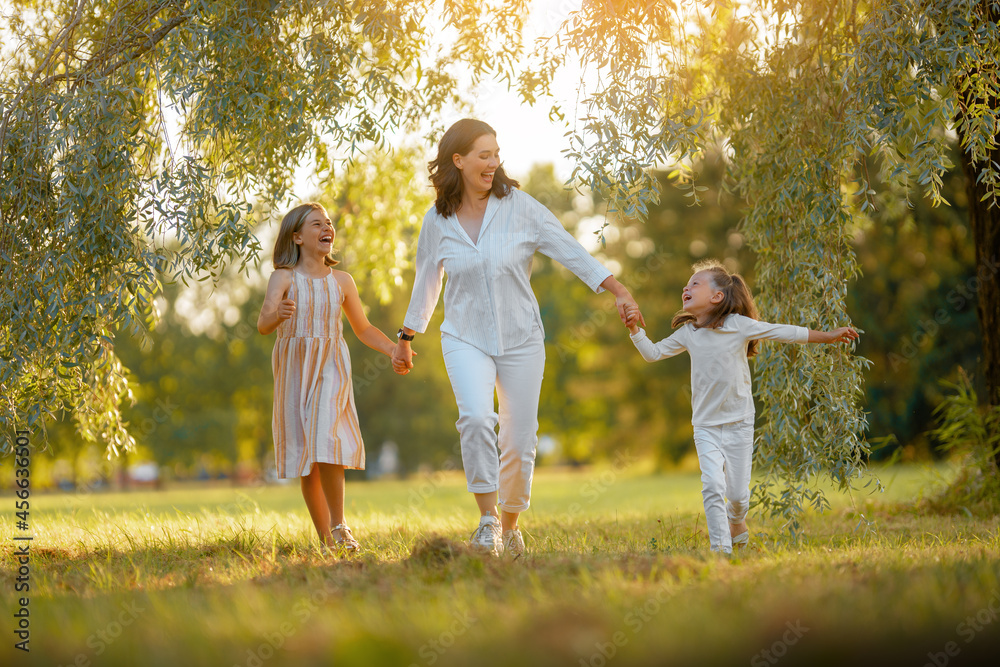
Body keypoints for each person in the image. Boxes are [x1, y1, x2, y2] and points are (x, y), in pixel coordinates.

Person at [391, 118, 644, 558]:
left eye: (496, 153)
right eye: (483, 155)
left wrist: (617, 290)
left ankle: (510, 526)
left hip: (522, 337)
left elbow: (570, 249)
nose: (493, 163)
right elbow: (426, 282)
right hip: (464, 336)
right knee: (475, 419)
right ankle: (487, 522)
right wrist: (406, 336)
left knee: (520, 438)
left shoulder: (521, 207)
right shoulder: (438, 220)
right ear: (459, 160)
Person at [623, 259, 858, 554]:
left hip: (739, 424)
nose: (687, 286)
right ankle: (721, 550)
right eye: (687, 283)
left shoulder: (738, 326)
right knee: (712, 487)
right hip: (706, 425)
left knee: (737, 496)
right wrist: (634, 330)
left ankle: (737, 520)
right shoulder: (689, 333)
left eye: (696, 283)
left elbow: (783, 332)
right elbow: (653, 353)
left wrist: (829, 336)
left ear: (717, 296)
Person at [258, 203, 396, 552]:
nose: (327, 227)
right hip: (295, 369)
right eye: (317, 223)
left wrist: (393, 349)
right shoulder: (284, 277)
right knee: (310, 456)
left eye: (329, 223)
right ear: (298, 236)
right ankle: (327, 541)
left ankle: (340, 526)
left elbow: (363, 329)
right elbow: (263, 324)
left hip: (331, 367)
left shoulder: (342, 281)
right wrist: (279, 314)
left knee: (328, 439)